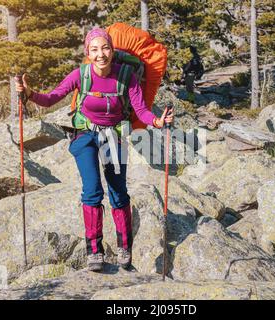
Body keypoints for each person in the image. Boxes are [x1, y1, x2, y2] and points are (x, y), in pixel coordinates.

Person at [16, 28, 173, 272]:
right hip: (85, 135)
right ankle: (94, 252)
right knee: (92, 189)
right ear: (87, 52)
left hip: (114, 135)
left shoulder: (127, 75)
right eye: (95, 49)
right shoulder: (81, 74)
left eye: (105, 48)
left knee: (119, 192)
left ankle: (124, 248)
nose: (101, 54)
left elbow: (141, 110)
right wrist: (29, 94)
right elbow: (51, 98)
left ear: (112, 50)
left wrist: (158, 122)